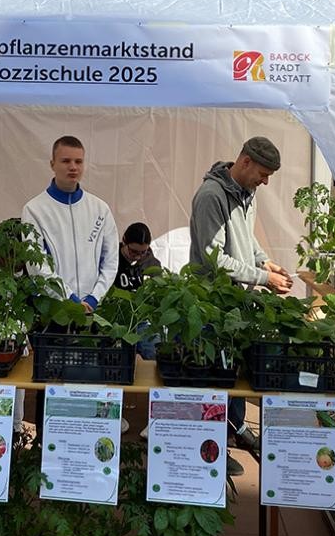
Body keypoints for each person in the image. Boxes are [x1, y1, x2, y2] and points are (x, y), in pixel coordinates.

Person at [189, 135, 294, 475]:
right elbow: (214, 257)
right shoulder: (210, 197)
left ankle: (234, 432)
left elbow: (246, 241)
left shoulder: (247, 194)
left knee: (232, 374)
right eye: (263, 174)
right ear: (245, 162)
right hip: (213, 302)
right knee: (216, 379)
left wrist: (265, 263)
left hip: (237, 301)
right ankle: (212, 449)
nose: (265, 182)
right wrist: (264, 280)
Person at [21, 135, 119, 312]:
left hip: (93, 309)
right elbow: (36, 264)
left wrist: (94, 298)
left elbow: (111, 260)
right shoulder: (34, 209)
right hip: (52, 310)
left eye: (78, 161)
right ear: (52, 164)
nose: (73, 167)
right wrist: (69, 299)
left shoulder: (100, 209)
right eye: (66, 161)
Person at [114, 222, 163, 292]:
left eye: (143, 252)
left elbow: (158, 291)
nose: (138, 257)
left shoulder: (152, 265)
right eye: (133, 252)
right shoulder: (110, 259)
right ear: (124, 241)